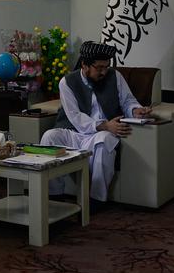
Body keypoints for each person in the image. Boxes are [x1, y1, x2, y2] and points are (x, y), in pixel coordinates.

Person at [40, 41, 152, 203]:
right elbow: (75, 116)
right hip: (74, 133)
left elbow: (127, 101)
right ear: (84, 65)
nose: (104, 72)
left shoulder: (115, 76)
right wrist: (104, 125)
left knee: (105, 141)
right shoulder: (67, 82)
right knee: (49, 137)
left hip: (100, 134)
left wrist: (136, 110)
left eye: (106, 67)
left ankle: (96, 199)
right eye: (99, 68)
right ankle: (54, 194)